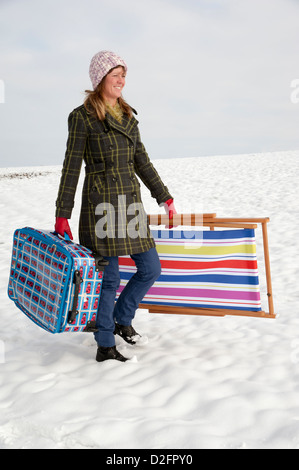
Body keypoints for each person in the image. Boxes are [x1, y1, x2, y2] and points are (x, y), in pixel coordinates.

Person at [54, 50, 177, 362]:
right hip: (101, 205)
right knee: (109, 278)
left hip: (131, 203)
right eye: (115, 75)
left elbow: (142, 162)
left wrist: (164, 196)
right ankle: (105, 344)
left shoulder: (128, 117)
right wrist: (62, 214)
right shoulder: (82, 117)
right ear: (100, 80)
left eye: (123, 75)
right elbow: (71, 167)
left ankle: (123, 319)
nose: (121, 80)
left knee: (151, 267)